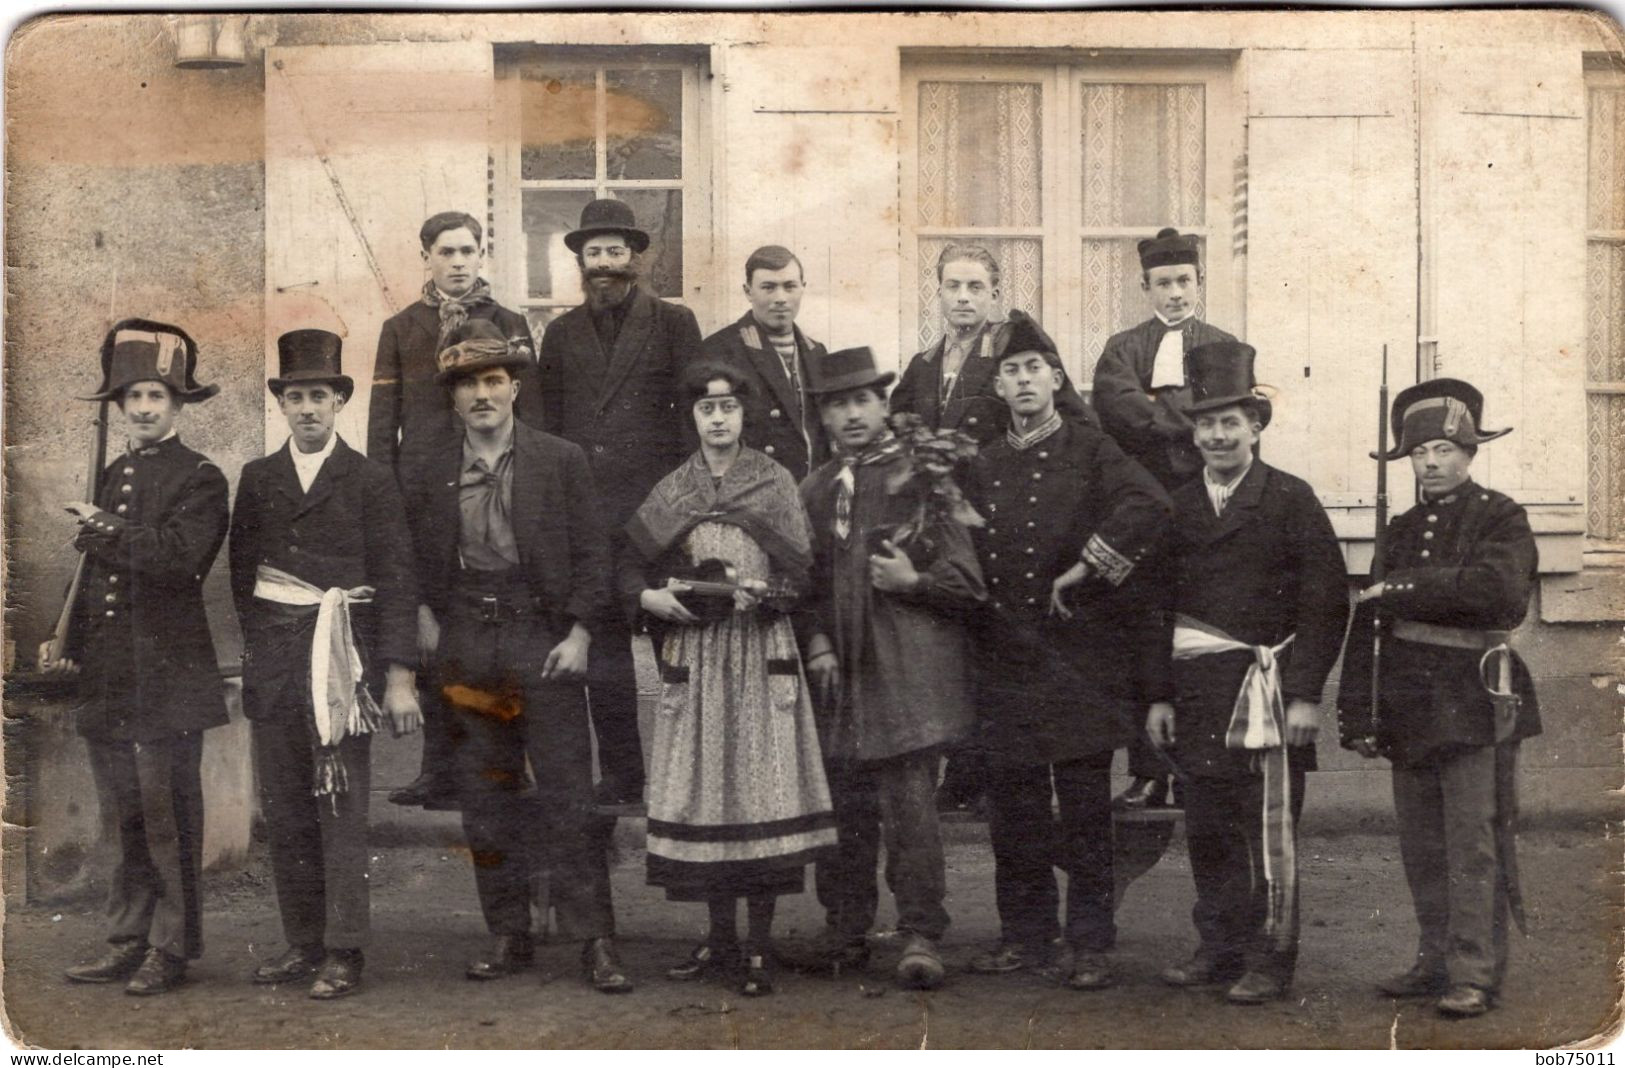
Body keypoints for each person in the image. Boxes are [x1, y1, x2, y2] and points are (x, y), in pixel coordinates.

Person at [398, 318, 631, 993]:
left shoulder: (559, 460)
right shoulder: (430, 469)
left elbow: (594, 554)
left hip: (542, 638)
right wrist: (423, 617)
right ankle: (507, 934)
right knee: (485, 795)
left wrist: (581, 633)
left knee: (568, 794)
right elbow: (410, 556)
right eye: (467, 383)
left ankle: (596, 940)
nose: (481, 394)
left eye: (493, 379)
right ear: (452, 397)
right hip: (468, 642)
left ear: (514, 388)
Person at [962, 317, 1171, 989]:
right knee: (1013, 811)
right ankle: (1024, 936)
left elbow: (1150, 503)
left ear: (1056, 379)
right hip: (1004, 662)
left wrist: (1089, 565)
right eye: (1011, 372)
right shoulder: (982, 462)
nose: (1023, 381)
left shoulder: (1091, 449)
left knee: (1083, 811)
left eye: (1034, 369)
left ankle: (1089, 942)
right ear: (997, 386)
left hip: (1078, 663)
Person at [620, 362, 838, 997]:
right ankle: (719, 939)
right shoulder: (673, 489)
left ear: (745, 414)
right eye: (706, 409)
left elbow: (803, 575)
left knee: (759, 793)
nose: (718, 418)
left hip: (757, 652)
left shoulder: (774, 482)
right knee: (709, 791)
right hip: (697, 656)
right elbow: (627, 566)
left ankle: (761, 946)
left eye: (728, 407)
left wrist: (765, 594)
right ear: (692, 417)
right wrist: (649, 597)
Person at [1144, 341, 1350, 1004]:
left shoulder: (1289, 500)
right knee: (1206, 825)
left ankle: (1269, 955)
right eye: (1204, 423)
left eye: (1229, 421)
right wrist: (1157, 696)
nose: (1216, 434)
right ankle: (1219, 943)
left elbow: (1325, 600)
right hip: (1199, 696)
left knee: (1265, 828)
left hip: (1267, 693)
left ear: (1255, 426)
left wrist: (1304, 695)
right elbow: (1154, 608)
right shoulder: (1176, 507)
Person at [1337, 378, 1541, 1019]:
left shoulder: (1500, 516)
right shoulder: (1397, 529)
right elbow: (1368, 621)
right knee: (1421, 841)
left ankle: (1475, 971)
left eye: (1446, 448)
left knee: (1473, 840)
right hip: (1408, 701)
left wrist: (1401, 589)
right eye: (1421, 450)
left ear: (1470, 452)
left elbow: (1496, 594)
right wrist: (1360, 710)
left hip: (1477, 696)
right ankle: (1435, 960)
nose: (1433, 461)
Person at [228, 329, 423, 999]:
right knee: (285, 811)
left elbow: (397, 576)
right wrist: (258, 655)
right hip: (277, 667)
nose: (307, 408)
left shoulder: (369, 479)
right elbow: (241, 577)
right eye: (295, 396)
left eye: (319, 395)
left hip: (343, 667)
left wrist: (398, 675)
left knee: (339, 807)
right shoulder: (258, 480)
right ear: (282, 404)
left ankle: (344, 950)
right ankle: (300, 941)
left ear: (338, 402)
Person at [45, 319, 230, 996]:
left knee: (166, 820)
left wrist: (107, 527)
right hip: (112, 677)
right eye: (133, 398)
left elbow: (179, 560)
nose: (145, 408)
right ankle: (127, 939)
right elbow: (97, 575)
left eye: (156, 395)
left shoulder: (202, 479)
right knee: (121, 817)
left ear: (178, 404)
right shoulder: (116, 472)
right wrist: (65, 640)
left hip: (169, 678)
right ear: (118, 409)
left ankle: (171, 948)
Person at [796, 346, 986, 990]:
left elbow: (966, 582)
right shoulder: (816, 489)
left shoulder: (922, 476)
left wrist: (912, 579)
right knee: (843, 806)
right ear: (822, 416)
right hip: (838, 673)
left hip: (904, 672)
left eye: (861, 401)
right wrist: (816, 639)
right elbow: (803, 581)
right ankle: (845, 928)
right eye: (836, 404)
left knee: (909, 806)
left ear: (883, 406)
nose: (850, 415)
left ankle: (921, 932)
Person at [890, 243, 1093, 814]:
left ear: (995, 293)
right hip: (940, 529)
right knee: (948, 641)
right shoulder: (924, 363)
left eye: (976, 287)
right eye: (953, 286)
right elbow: (899, 435)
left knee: (993, 641)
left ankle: (979, 766)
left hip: (1003, 519)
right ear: (938, 291)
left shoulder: (1015, 351)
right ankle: (958, 760)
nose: (963, 298)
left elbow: (1072, 422)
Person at [368, 210, 541, 811]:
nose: (459, 262)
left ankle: (506, 763)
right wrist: (384, 498)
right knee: (434, 633)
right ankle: (435, 767)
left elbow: (530, 416)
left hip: (491, 488)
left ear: (481, 253)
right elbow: (380, 429)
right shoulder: (401, 329)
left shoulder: (511, 323)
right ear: (427, 257)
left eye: (469, 250)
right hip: (423, 494)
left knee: (500, 631)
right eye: (447, 252)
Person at [538, 197, 705, 806]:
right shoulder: (558, 334)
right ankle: (626, 776)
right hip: (588, 515)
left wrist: (688, 509)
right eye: (593, 252)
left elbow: (692, 420)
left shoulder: (673, 324)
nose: (604, 262)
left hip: (657, 513)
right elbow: (549, 428)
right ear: (580, 261)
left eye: (615, 251)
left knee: (678, 646)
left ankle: (689, 772)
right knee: (604, 650)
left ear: (635, 257)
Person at [1092, 226, 1241, 811]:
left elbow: (1227, 416)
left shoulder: (1224, 344)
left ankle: (1198, 767)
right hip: (1145, 509)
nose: (1175, 292)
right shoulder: (1123, 347)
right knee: (1145, 639)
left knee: (1200, 633)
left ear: (1198, 282)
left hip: (1206, 510)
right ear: (1146, 287)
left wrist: (1160, 411)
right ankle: (1149, 771)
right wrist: (1187, 415)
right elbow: (1118, 408)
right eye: (1163, 283)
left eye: (1184, 281)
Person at [701, 245, 830, 480]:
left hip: (811, 495)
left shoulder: (817, 352)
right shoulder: (719, 350)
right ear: (748, 291)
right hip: (752, 495)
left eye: (790, 286)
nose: (780, 298)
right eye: (768, 287)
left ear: (803, 288)